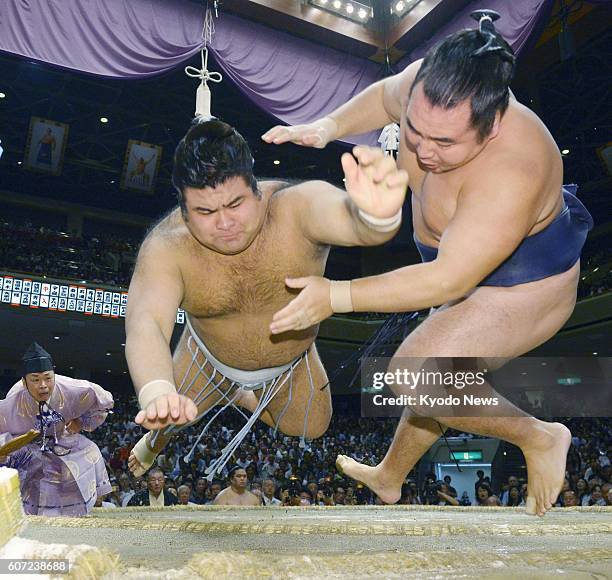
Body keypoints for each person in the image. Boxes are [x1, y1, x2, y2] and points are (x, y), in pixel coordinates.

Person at [262, 10, 592, 517]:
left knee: (419, 372)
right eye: (414, 131)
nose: (422, 149)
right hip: (458, 261)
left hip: (526, 282)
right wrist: (328, 126)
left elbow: (447, 278)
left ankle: (541, 436)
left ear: (492, 125)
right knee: (435, 370)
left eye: (444, 143)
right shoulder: (425, 87)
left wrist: (336, 295)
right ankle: (390, 477)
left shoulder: (515, 167)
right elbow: (382, 97)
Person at [125, 117, 409, 479]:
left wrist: (376, 217)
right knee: (168, 416)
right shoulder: (167, 247)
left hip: (289, 364)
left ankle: (240, 398)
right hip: (205, 359)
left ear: (256, 189)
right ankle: (153, 442)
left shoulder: (297, 208)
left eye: (235, 203)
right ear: (183, 210)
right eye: (206, 212)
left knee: (312, 427)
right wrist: (157, 389)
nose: (224, 222)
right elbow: (145, 323)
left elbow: (351, 221)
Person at [0, 343, 113, 516]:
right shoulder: (12, 403)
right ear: (24, 382)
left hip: (64, 441)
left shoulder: (73, 389)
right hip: (26, 450)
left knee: (90, 451)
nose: (43, 385)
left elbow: (104, 402)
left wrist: (81, 422)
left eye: (48, 378)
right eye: (35, 380)